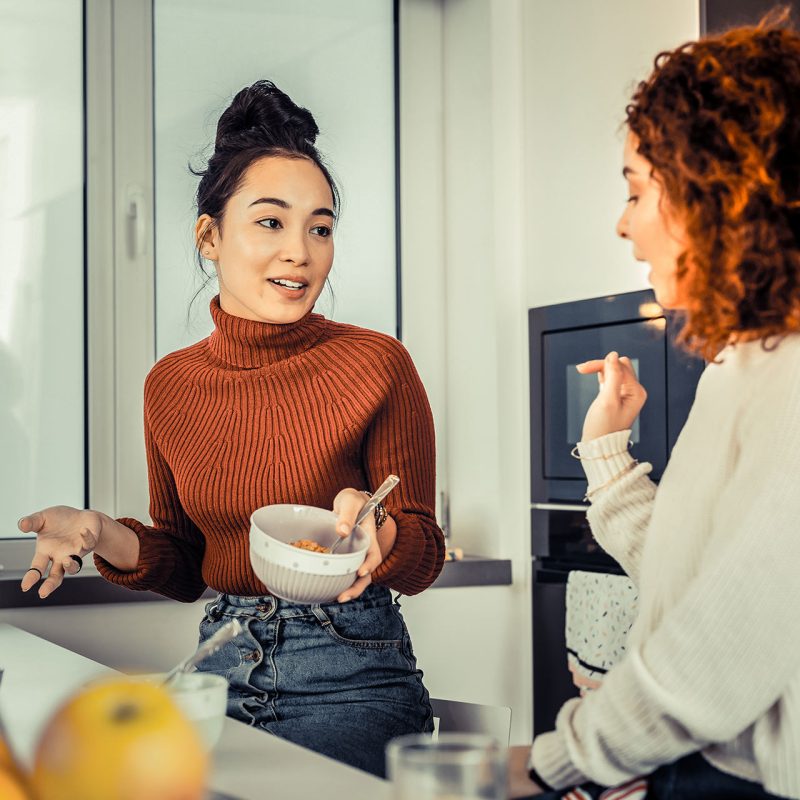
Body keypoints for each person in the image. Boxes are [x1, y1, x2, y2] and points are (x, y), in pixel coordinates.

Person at [18, 80, 445, 778]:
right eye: (271, 222)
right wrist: (100, 530)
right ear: (210, 236)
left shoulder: (378, 363)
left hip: (353, 678)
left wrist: (381, 535)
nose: (301, 252)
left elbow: (424, 549)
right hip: (217, 667)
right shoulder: (170, 385)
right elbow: (188, 561)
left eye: (321, 226)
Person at [509, 13, 800, 800]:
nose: (623, 222)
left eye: (637, 189)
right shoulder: (743, 365)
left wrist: (555, 761)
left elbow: (720, 651)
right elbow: (699, 584)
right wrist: (607, 455)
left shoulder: (792, 376)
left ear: (717, 193)